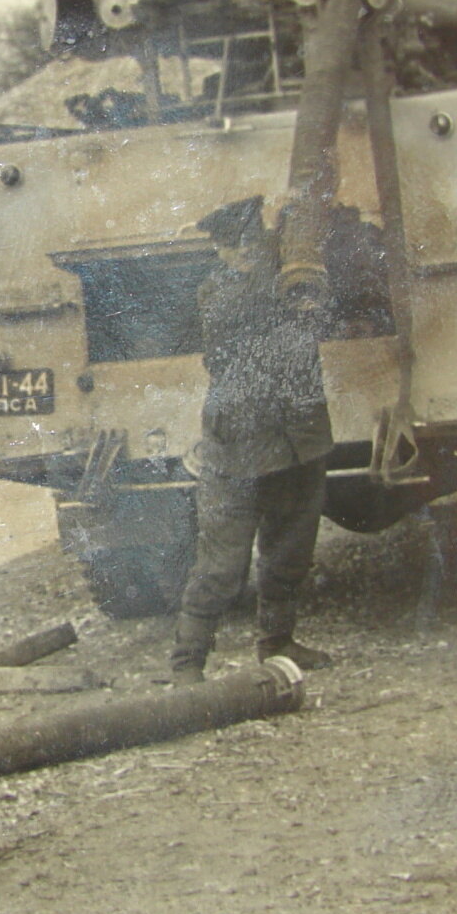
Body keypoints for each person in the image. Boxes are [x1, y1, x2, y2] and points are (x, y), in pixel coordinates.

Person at [171, 194, 336, 682]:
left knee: (290, 555)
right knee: (221, 569)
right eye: (233, 246)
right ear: (219, 251)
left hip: (300, 441)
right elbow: (247, 320)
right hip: (237, 452)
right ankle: (186, 665)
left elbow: (320, 312)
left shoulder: (288, 279)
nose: (244, 252)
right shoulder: (218, 294)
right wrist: (282, 262)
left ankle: (279, 643)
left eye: (252, 241)